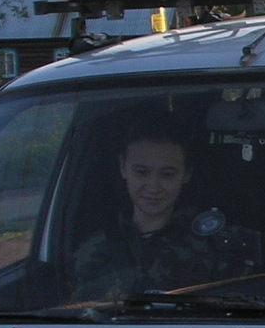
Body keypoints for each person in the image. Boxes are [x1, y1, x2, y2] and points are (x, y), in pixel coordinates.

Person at [72, 122, 225, 299]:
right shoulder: (94, 250)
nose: (153, 187)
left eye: (167, 174)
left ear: (186, 174)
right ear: (123, 168)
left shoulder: (214, 245)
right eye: (141, 172)